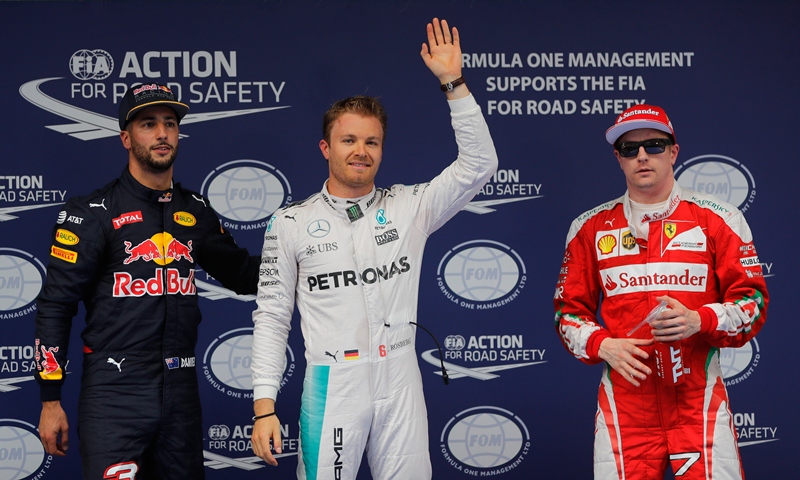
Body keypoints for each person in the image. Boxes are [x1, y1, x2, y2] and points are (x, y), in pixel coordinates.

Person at [250, 18, 498, 479]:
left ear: (382, 149)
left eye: (371, 141)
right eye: (348, 140)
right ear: (325, 147)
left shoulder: (410, 207)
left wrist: (453, 82)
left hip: (400, 377)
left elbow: (480, 165)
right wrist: (264, 405)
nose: (360, 151)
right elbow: (272, 316)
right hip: (331, 384)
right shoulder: (290, 222)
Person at [35, 83, 260, 479]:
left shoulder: (195, 211)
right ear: (126, 138)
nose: (162, 134)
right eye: (148, 124)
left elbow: (244, 275)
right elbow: (56, 305)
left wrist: (306, 254)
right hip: (114, 394)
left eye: (170, 124)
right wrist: (50, 400)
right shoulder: (93, 213)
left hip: (180, 392)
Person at [554, 104, 768, 479]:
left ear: (673, 152)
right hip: (626, 406)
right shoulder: (589, 228)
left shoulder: (720, 218)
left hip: (697, 400)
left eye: (654, 145)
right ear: (618, 158)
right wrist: (602, 344)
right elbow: (567, 313)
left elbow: (753, 303)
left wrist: (699, 320)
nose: (642, 156)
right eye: (629, 148)